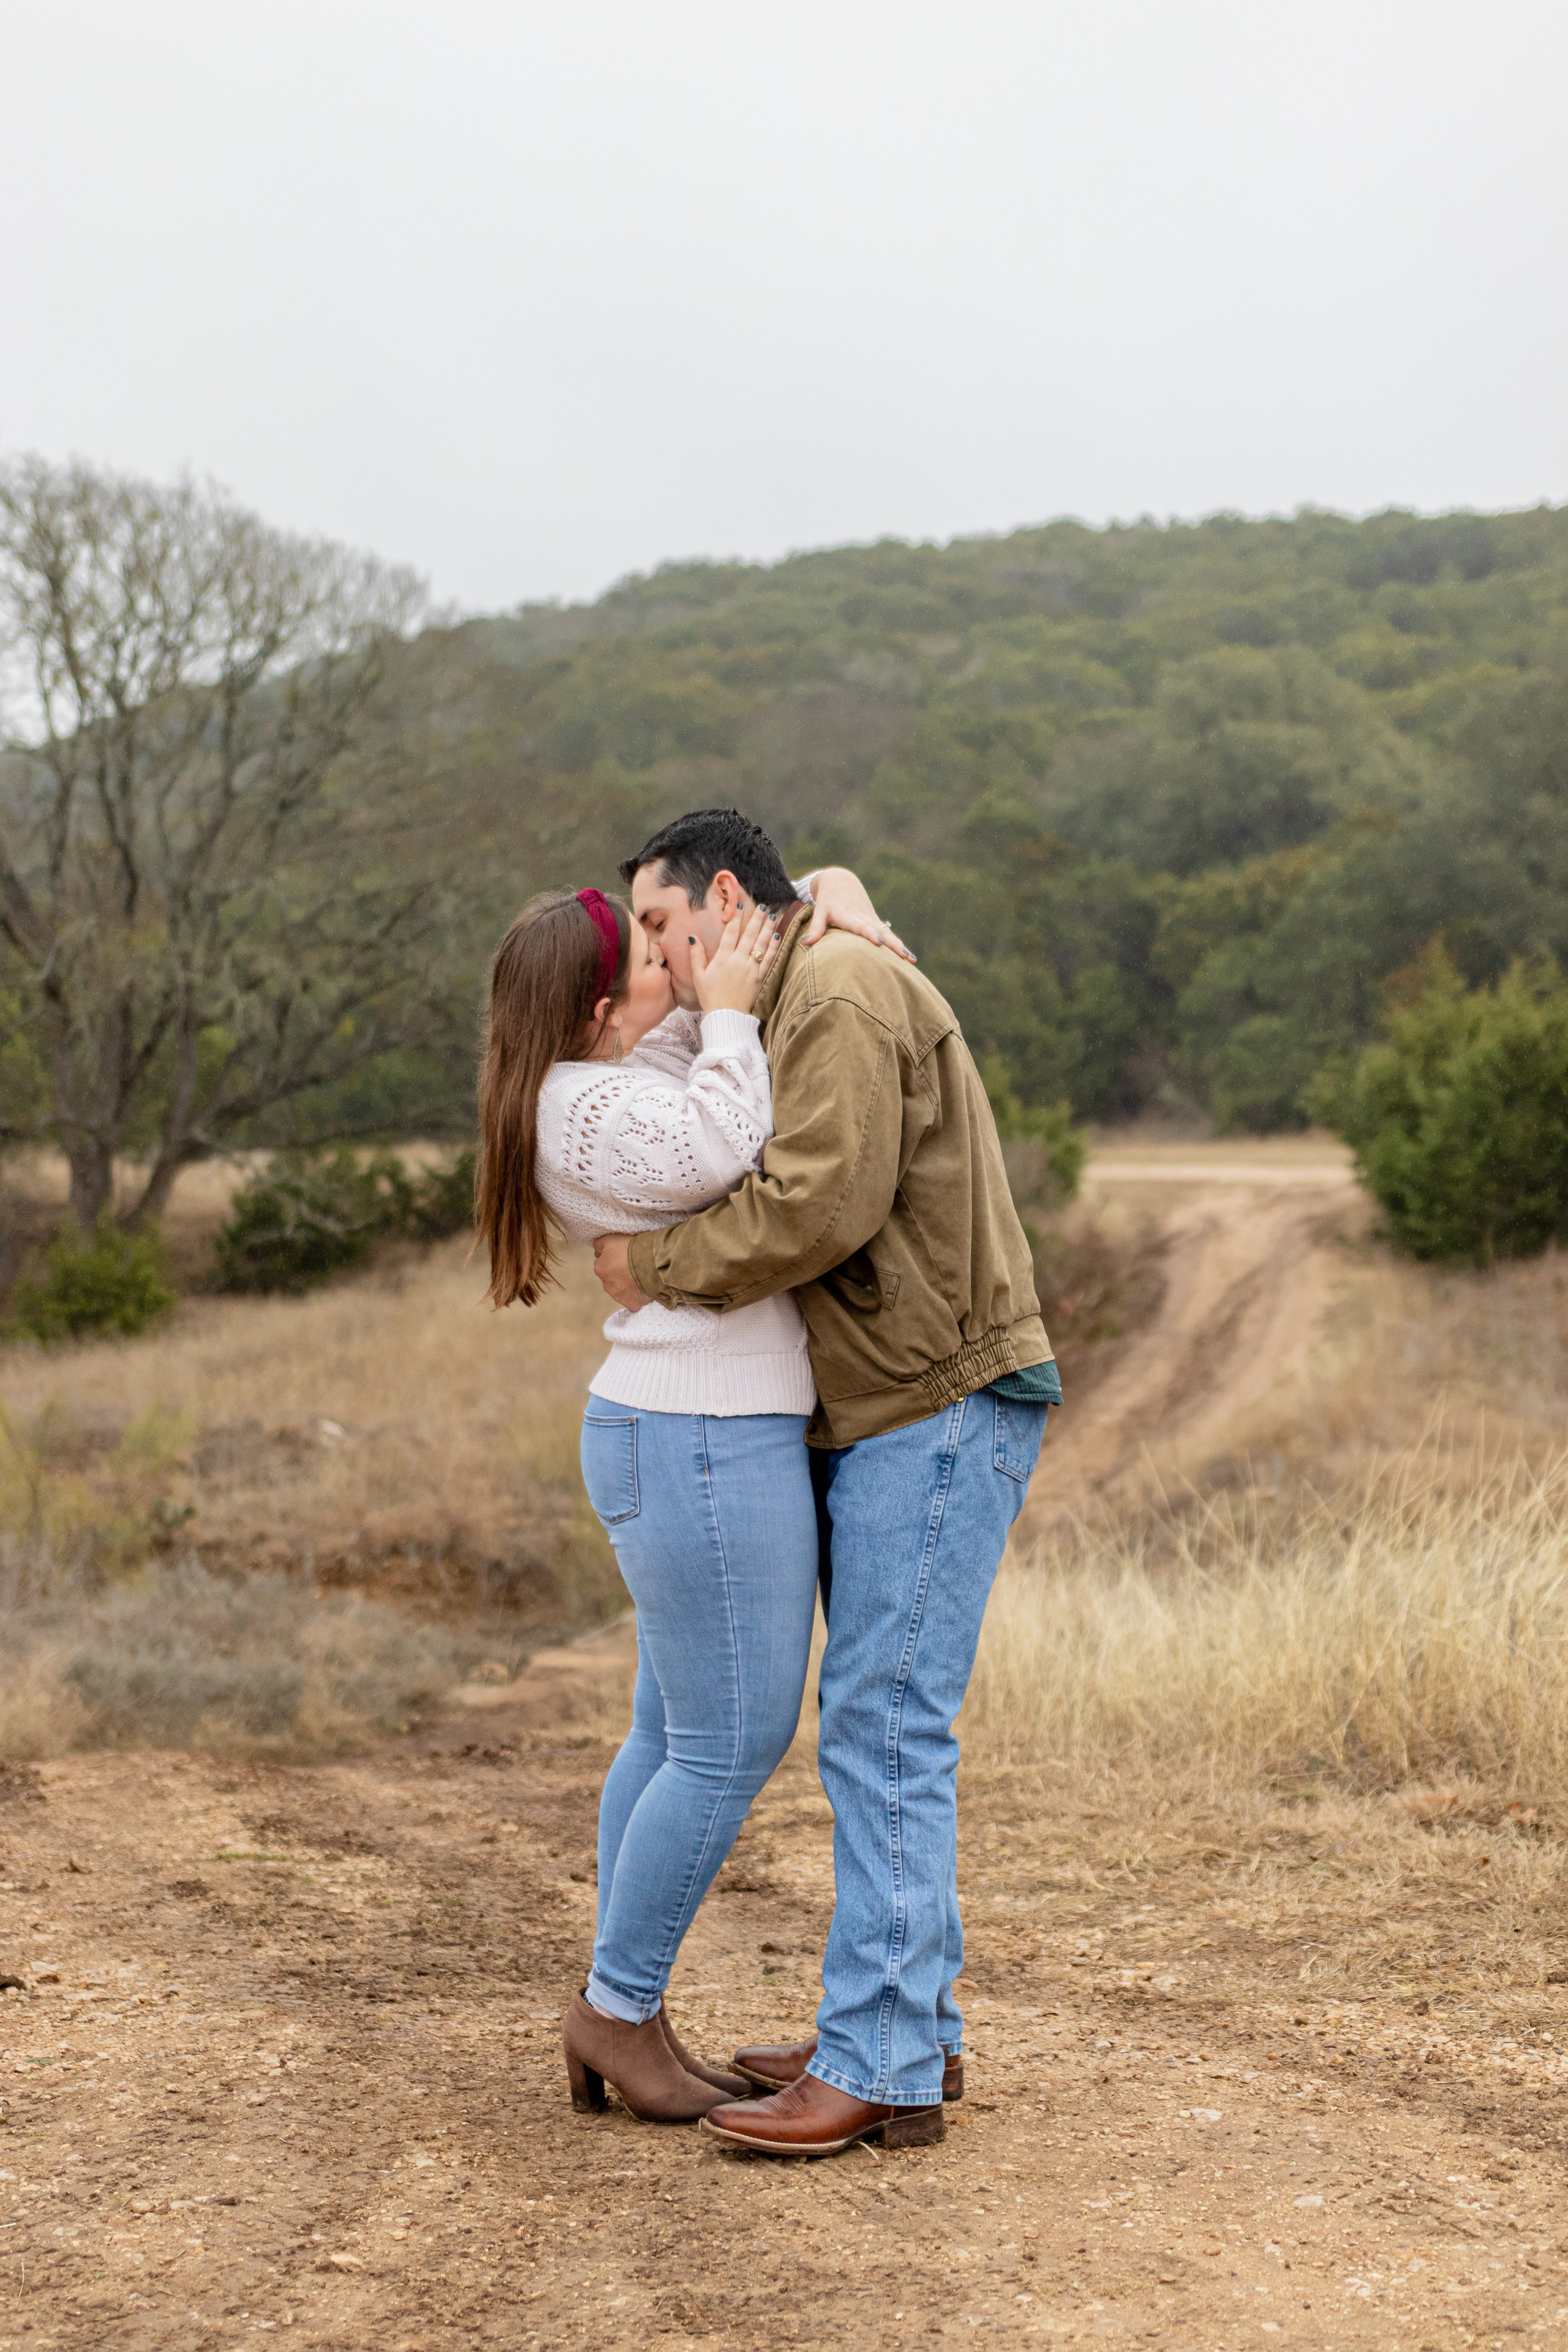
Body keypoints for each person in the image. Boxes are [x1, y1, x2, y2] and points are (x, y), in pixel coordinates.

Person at [594, 808, 1060, 2158]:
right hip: (897, 1407)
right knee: (878, 1721)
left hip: (936, 1401)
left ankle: (884, 2064)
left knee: (882, 1727)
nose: (661, 961)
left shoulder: (840, 992)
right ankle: (894, 2020)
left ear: (724, 897)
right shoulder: (804, 980)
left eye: (664, 929)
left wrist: (652, 1268)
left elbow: (818, 1203)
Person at [473, 862, 899, 2126]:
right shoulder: (592, 1108)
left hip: (688, 1430)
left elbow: (721, 1074)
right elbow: (735, 1142)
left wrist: (827, 886)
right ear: (603, 1008)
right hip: (700, 1435)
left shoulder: (609, 1073)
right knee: (731, 1740)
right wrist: (722, 1011)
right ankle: (614, 2010)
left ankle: (626, 2010)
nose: (680, 960)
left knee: (669, 1734)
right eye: (652, 960)